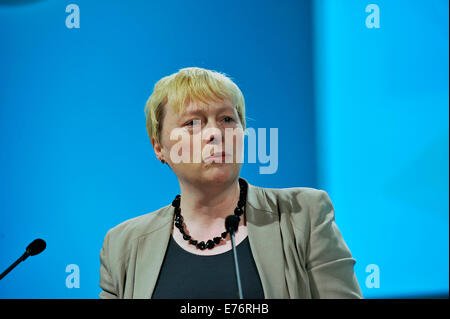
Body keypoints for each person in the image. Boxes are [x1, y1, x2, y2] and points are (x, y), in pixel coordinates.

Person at [99, 67, 363, 299]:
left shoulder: (303, 215)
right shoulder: (123, 245)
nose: (215, 133)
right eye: (192, 123)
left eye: (227, 119)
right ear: (159, 147)